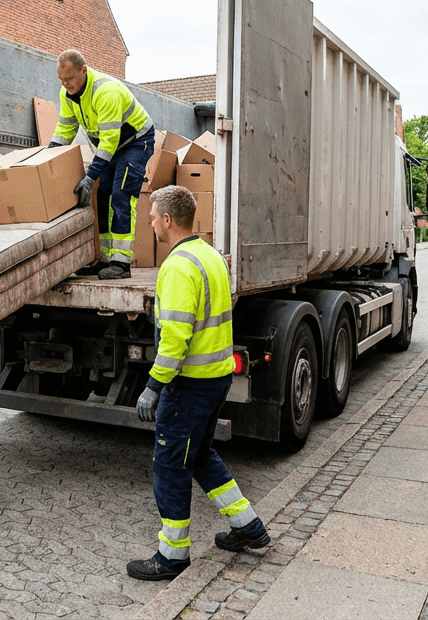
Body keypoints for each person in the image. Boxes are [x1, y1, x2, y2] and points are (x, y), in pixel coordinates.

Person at [127, 186, 272, 581]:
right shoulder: (210, 256)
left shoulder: (177, 266)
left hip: (188, 385)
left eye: (153, 216)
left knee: (170, 466)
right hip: (216, 378)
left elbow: (175, 337)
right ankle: (248, 526)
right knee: (201, 456)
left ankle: (171, 557)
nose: (150, 223)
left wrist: (153, 386)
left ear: (168, 219)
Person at [48, 49, 155, 280]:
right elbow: (65, 128)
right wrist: (47, 159)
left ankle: (121, 262)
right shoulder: (67, 94)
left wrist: (90, 176)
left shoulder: (106, 91)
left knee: (121, 194)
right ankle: (104, 259)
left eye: (69, 78)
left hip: (135, 142)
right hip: (111, 145)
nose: (65, 84)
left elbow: (109, 140)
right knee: (103, 196)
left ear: (83, 70)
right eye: (61, 79)